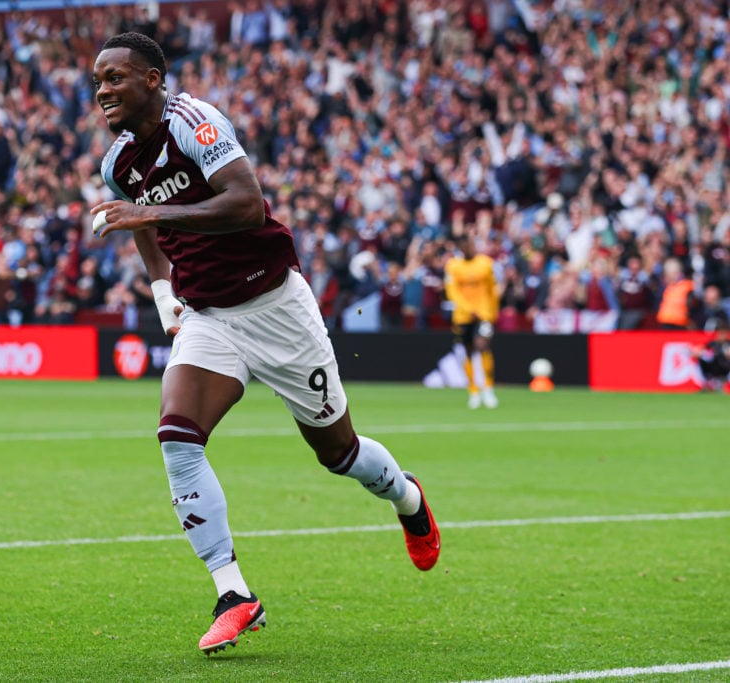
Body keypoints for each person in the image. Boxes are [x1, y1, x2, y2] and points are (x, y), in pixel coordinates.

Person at [89, 33, 440, 655]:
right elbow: (137, 219)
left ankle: (407, 497)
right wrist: (163, 293)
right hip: (209, 317)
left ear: (152, 78)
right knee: (177, 437)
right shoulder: (118, 162)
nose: (103, 90)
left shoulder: (195, 123)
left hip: (277, 308)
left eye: (115, 77)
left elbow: (248, 205)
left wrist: (155, 216)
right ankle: (234, 594)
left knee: (338, 454)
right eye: (98, 80)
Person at [443, 234, 500, 408]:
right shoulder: (453, 266)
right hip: (463, 315)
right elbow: (452, 292)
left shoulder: (485, 263)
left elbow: (492, 289)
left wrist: (492, 312)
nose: (468, 248)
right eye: (464, 246)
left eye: (470, 245)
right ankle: (474, 390)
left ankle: (488, 389)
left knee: (483, 346)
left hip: (483, 314)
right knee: (467, 351)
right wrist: (469, 309)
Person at [693, 318, 730, 391]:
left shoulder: (728, 344)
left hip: (725, 369)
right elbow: (699, 350)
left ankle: (725, 386)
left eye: (724, 333)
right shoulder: (712, 344)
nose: (722, 335)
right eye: (721, 333)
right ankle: (705, 384)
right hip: (712, 369)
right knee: (702, 357)